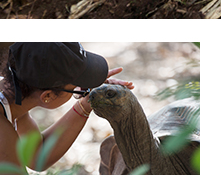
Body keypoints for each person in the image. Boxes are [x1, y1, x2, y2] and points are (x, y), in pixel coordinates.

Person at [0, 42, 133, 173]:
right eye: (76, 89)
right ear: (48, 96)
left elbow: (37, 155)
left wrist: (86, 102)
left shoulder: (13, 98)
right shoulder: (3, 136)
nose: (79, 89)